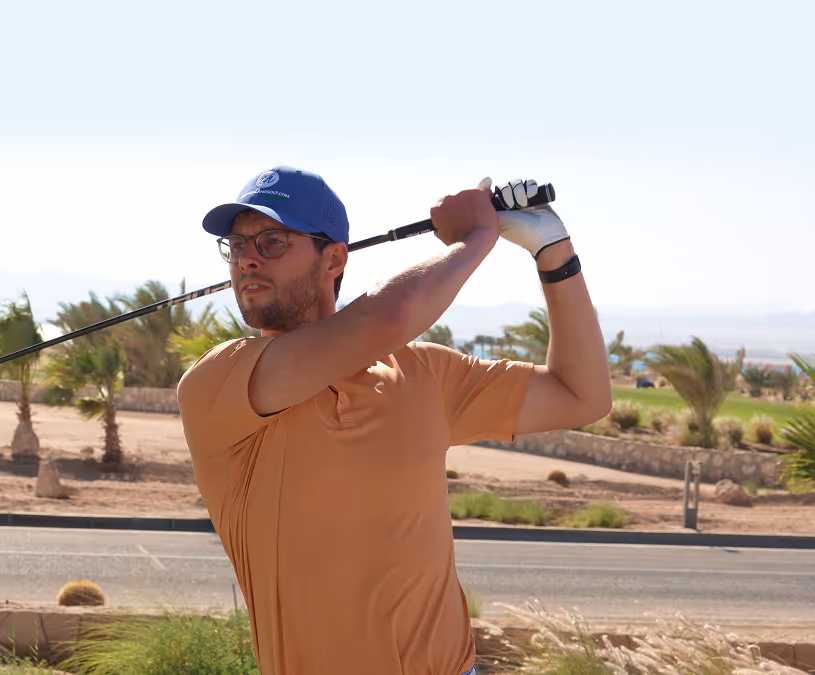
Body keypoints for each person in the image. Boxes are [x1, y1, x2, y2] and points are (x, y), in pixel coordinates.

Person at [177, 166, 611, 675]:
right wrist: (476, 238)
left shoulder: (424, 372)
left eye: (272, 241)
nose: (246, 259)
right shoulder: (219, 383)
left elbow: (581, 395)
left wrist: (553, 250)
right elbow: (386, 317)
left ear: (334, 259)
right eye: (236, 245)